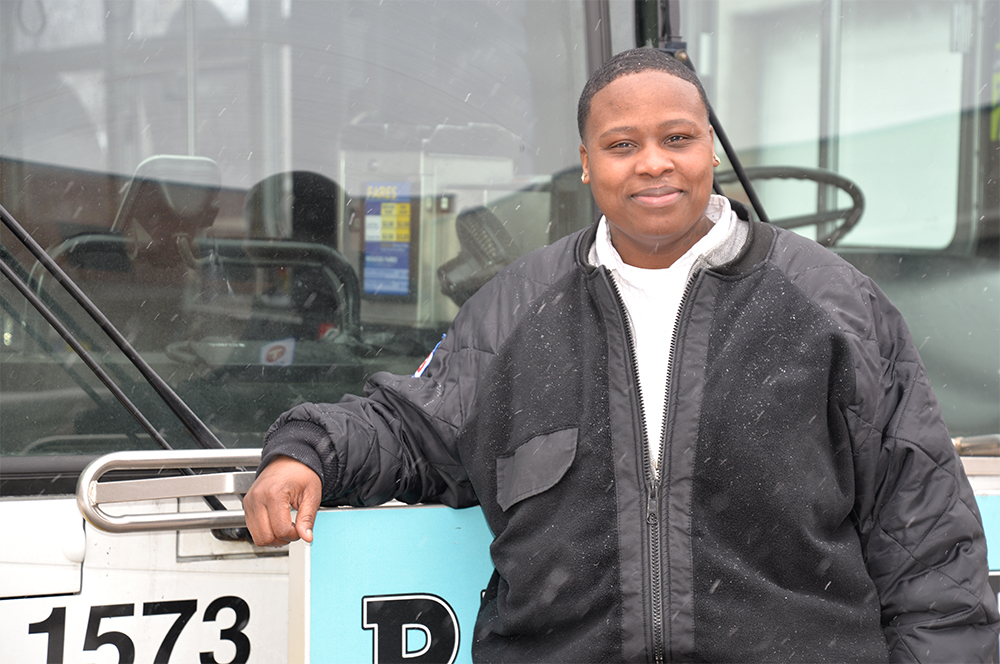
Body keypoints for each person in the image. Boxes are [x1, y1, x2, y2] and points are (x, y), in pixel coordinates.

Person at [243, 48, 999, 662]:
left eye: (678, 138)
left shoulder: (834, 306)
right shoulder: (516, 307)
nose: (653, 163)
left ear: (710, 147)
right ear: (585, 162)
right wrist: (306, 453)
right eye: (622, 145)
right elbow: (411, 428)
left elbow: (928, 542)